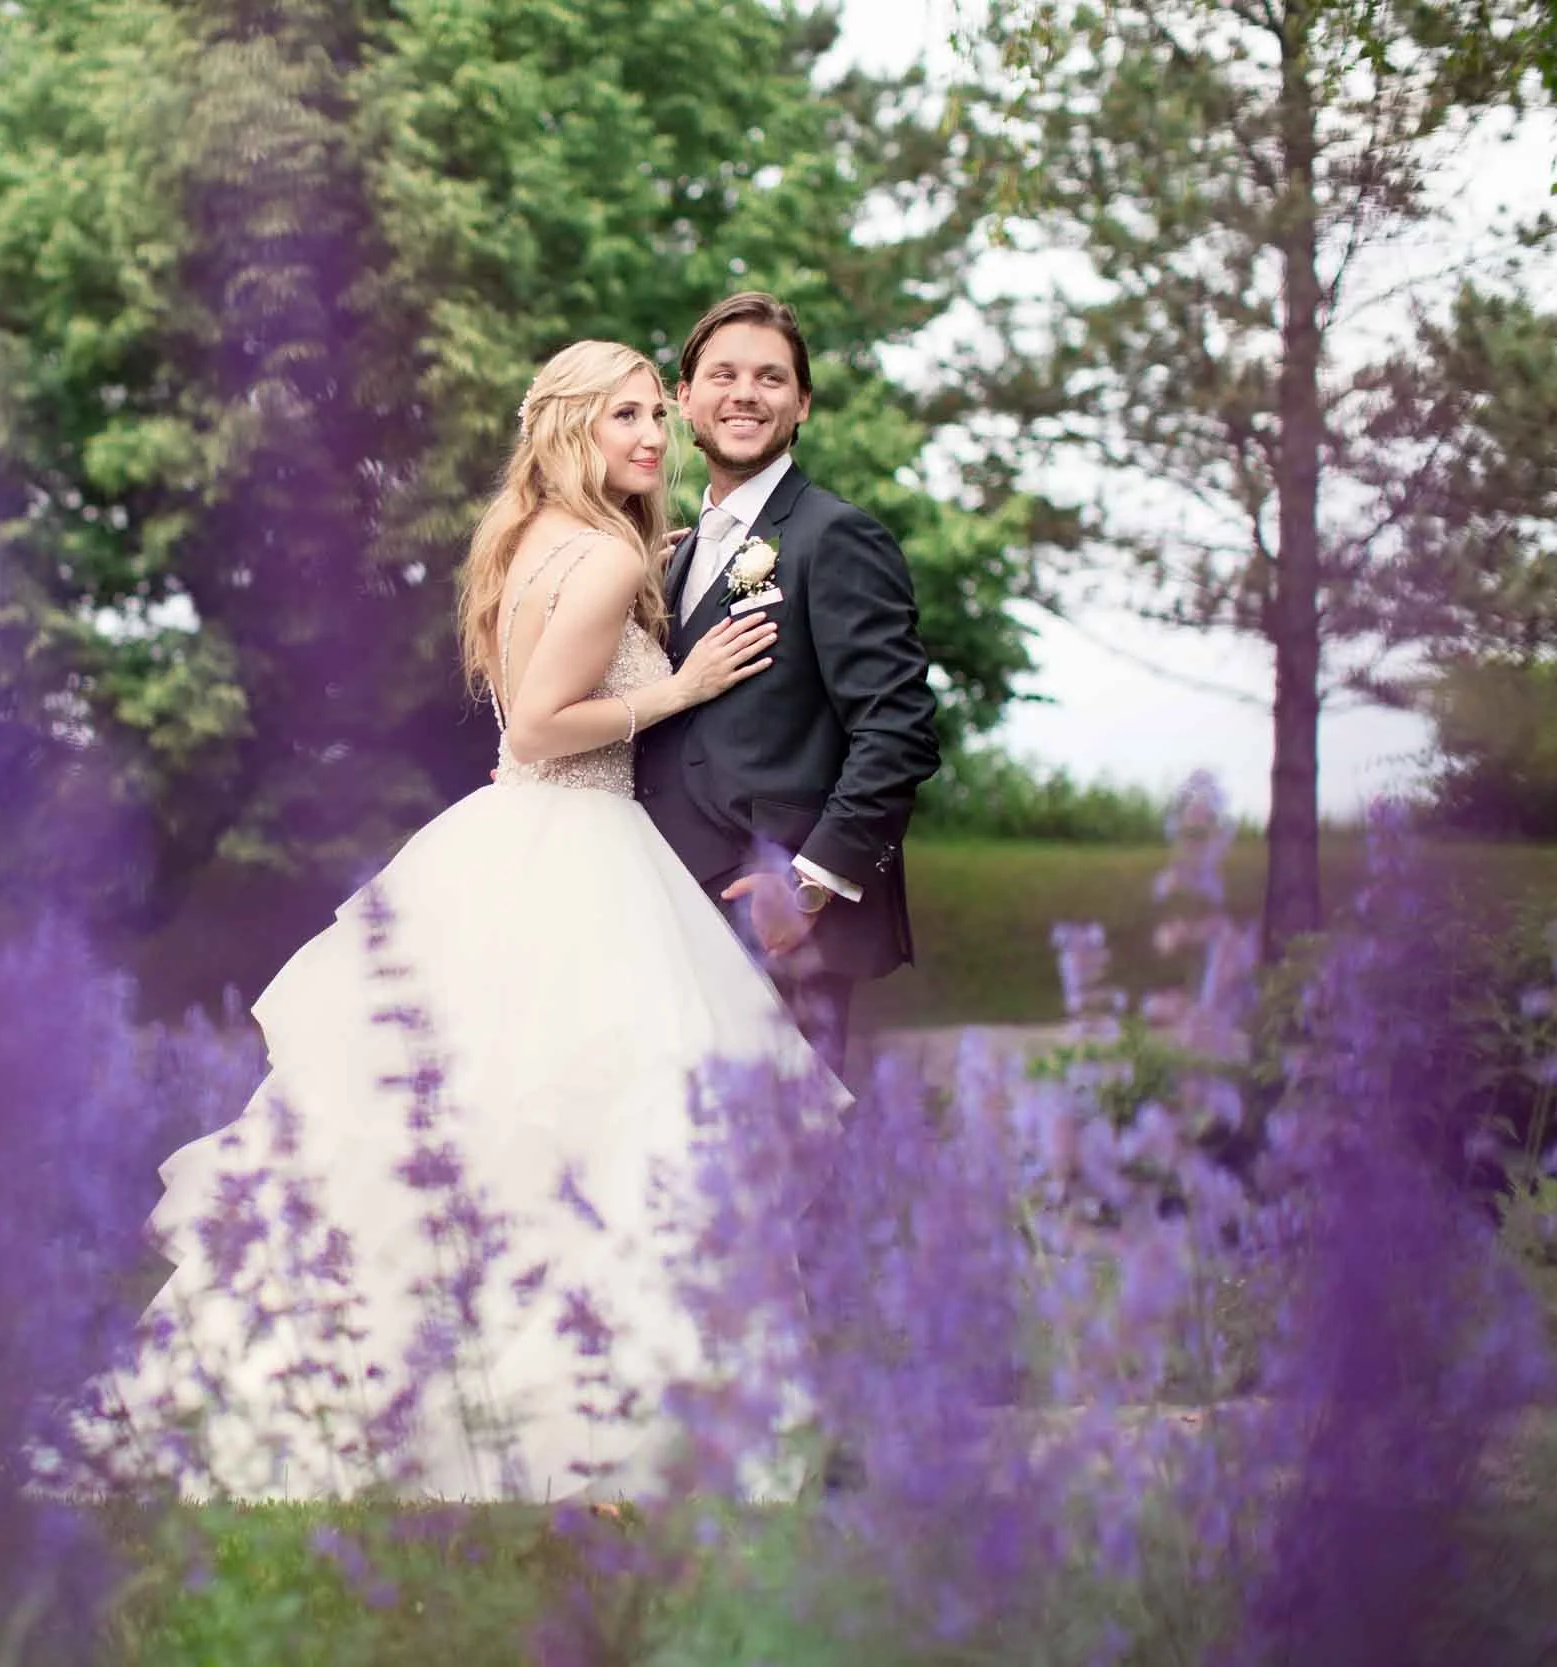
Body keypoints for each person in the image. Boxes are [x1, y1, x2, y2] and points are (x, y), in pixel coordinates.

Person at [59, 341, 843, 1505]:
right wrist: (677, 685)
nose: (652, 434)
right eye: (622, 415)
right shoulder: (600, 555)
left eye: (652, 416)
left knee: (480, 1122)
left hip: (503, 842)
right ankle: (592, 1411)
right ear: (568, 426)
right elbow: (536, 727)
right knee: (598, 1119)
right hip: (576, 840)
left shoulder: (530, 541)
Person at [635, 293, 942, 1077]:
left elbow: (899, 727)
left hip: (774, 919)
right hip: (666, 910)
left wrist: (808, 883)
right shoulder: (670, 555)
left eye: (771, 378)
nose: (745, 393)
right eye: (723, 374)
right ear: (685, 398)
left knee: (787, 1178)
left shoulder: (835, 536)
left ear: (801, 402)